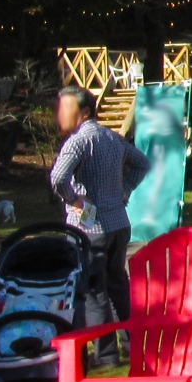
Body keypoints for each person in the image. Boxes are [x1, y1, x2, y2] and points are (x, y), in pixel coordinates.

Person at [49, 85, 151, 326]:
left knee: (94, 291)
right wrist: (125, 189)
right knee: (118, 284)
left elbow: (58, 178)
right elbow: (142, 163)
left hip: (89, 228)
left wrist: (73, 199)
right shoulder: (113, 138)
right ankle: (131, 341)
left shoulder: (78, 142)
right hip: (118, 223)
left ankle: (106, 353)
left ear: (84, 112)